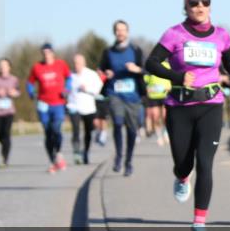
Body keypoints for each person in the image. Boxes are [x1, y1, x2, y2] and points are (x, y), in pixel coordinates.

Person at [146, 0, 230, 231]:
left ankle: (199, 222)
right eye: (194, 2)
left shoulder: (222, 35)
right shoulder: (174, 34)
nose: (200, 6)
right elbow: (151, 63)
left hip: (211, 105)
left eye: (205, 1)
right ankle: (181, 176)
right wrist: (177, 77)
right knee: (183, 161)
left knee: (205, 163)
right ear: (185, 6)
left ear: (210, 4)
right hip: (179, 107)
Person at [99, 20, 146, 176]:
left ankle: (129, 161)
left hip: (133, 96)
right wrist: (106, 74)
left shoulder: (136, 50)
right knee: (118, 123)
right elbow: (102, 69)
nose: (120, 32)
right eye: (117, 30)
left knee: (132, 130)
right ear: (114, 32)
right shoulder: (108, 52)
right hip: (115, 93)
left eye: (123, 30)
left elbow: (146, 70)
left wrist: (136, 69)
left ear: (127, 32)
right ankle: (119, 156)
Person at [26, 43, 71, 173]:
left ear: (52, 53)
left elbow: (69, 78)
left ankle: (59, 153)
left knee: (56, 128)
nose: (46, 55)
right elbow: (30, 82)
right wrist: (31, 92)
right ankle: (52, 161)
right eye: (43, 53)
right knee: (48, 132)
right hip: (43, 104)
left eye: (48, 52)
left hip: (58, 103)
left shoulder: (61, 64)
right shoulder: (37, 67)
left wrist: (67, 89)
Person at [69, 53, 103, 165]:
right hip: (74, 107)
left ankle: (86, 152)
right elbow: (65, 89)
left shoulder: (91, 74)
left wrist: (87, 89)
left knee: (88, 132)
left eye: (78, 63)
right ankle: (77, 153)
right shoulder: (70, 76)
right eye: (74, 63)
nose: (76, 65)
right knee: (75, 130)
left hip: (88, 107)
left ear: (84, 63)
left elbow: (98, 89)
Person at [143, 62, 171, 146]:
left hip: (165, 94)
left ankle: (166, 133)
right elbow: (145, 79)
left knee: (165, 116)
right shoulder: (150, 65)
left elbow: (173, 77)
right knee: (155, 117)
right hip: (153, 96)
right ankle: (159, 136)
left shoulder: (167, 65)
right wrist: (146, 88)